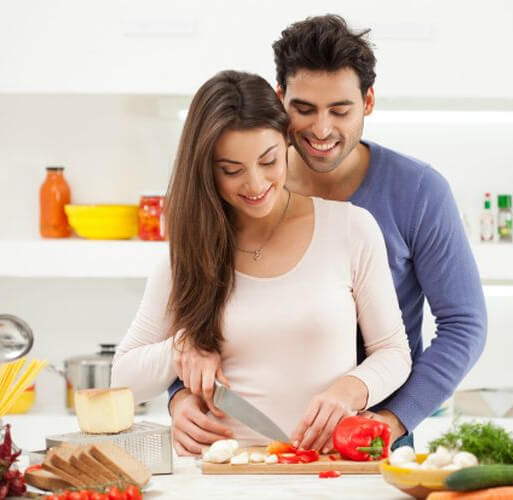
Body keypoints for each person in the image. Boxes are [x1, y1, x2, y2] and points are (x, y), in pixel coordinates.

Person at [167, 14, 488, 455]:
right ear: (280, 100)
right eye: (304, 110)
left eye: (340, 110)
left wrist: (392, 420)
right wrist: (179, 395)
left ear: (369, 101)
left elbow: (464, 325)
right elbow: (185, 308)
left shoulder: (418, 192)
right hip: (240, 442)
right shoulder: (249, 187)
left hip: (371, 438)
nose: (321, 130)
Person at [111, 70, 412, 454]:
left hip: (322, 472)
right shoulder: (191, 250)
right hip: (216, 474)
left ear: (286, 140)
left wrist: (351, 391)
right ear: (206, 170)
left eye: (269, 161)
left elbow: (393, 352)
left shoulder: (351, 228)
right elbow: (122, 379)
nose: (255, 185)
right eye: (231, 171)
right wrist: (181, 350)